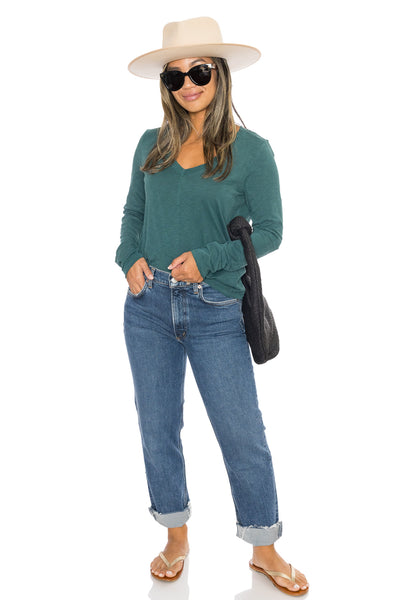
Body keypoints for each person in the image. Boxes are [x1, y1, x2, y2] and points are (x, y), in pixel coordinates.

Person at [115, 16, 309, 595]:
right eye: (174, 76)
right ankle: (175, 536)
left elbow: (270, 232)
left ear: (219, 75)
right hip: (147, 305)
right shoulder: (150, 144)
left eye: (198, 72)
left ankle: (264, 546)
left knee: (241, 432)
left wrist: (208, 259)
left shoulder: (252, 151)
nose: (187, 84)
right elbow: (133, 214)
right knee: (157, 427)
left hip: (216, 309)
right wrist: (127, 258)